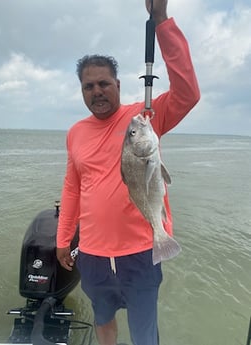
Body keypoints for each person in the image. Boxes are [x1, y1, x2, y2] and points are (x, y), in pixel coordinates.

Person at [56, 0, 200, 344]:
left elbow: (188, 93)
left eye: (104, 83)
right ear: (81, 91)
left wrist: (162, 21)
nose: (97, 91)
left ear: (118, 84)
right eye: (88, 86)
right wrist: (64, 240)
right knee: (103, 320)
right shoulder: (76, 132)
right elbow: (73, 188)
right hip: (91, 254)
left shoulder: (145, 118)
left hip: (141, 252)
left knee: (144, 330)